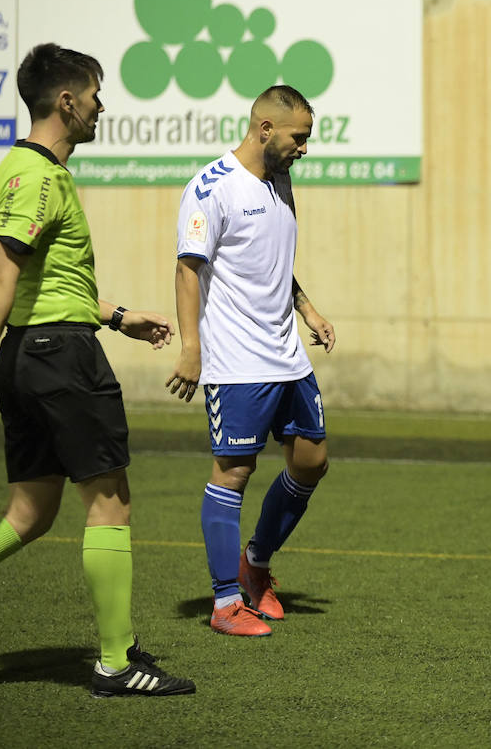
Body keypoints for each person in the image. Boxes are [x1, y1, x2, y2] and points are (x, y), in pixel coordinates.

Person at [0, 44, 194, 699]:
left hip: (32, 353)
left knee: (29, 512)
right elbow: (0, 274)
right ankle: (116, 663)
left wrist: (118, 316)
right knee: (110, 500)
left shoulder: (29, 171)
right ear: (67, 101)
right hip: (59, 358)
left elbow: (46, 283)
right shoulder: (38, 176)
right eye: (95, 96)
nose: (102, 107)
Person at [167, 84, 335, 638]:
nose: (304, 148)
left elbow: (269, 260)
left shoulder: (280, 179)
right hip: (237, 361)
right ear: (265, 129)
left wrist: (307, 308)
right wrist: (191, 348)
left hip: (288, 355)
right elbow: (188, 268)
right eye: (298, 138)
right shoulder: (211, 187)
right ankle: (224, 603)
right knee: (234, 472)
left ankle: (255, 563)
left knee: (311, 461)